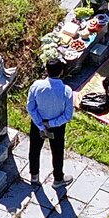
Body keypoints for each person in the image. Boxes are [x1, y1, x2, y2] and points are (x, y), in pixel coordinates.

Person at [26, 58, 75, 187]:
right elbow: (68, 115)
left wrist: (41, 125)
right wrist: (51, 124)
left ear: (46, 70)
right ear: (61, 71)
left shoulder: (36, 86)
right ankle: (58, 179)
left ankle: (34, 176)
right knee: (57, 152)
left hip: (38, 123)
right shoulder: (67, 91)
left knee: (34, 149)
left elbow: (30, 108)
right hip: (57, 127)